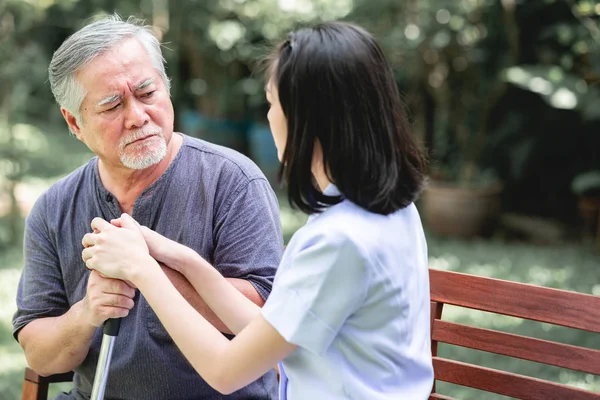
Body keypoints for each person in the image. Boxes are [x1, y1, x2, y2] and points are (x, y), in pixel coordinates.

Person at [82, 21, 434, 399]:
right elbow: (266, 328)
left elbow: (225, 370)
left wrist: (142, 269)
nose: (269, 117)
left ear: (307, 116)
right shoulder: (387, 211)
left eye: (272, 102)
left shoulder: (339, 243)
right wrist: (171, 253)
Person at [12, 14, 283, 400]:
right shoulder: (54, 209)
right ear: (74, 123)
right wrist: (88, 311)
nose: (137, 116)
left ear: (167, 88)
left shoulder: (233, 180)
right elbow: (40, 356)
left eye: (147, 93)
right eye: (111, 105)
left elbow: (263, 319)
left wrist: (145, 272)